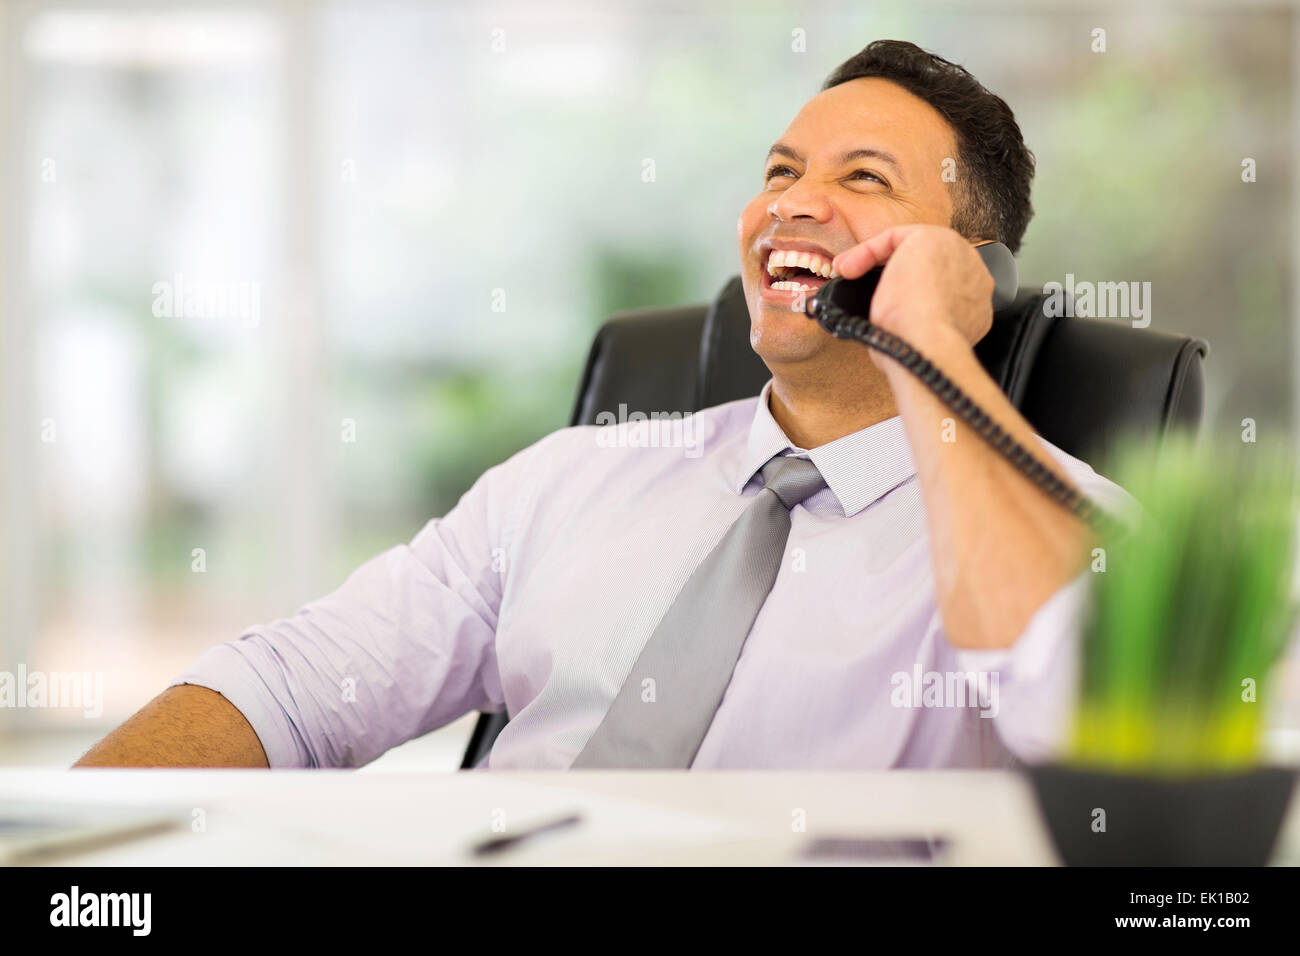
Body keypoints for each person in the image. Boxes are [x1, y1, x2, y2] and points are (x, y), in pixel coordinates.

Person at [76, 39, 1132, 771]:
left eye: (863, 178)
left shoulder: (1070, 522)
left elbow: (1089, 720)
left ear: (972, 269)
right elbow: (294, 691)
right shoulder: (570, 479)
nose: (791, 204)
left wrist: (933, 347)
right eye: (779, 170)